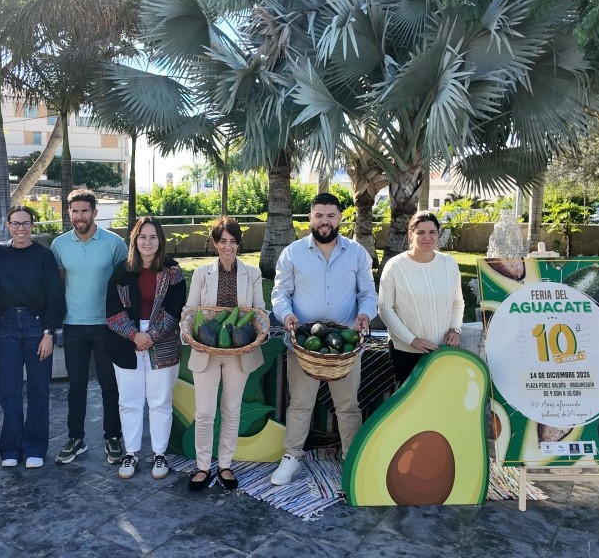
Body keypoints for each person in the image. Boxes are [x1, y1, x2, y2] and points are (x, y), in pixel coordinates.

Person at [270, 192, 377, 486]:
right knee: (301, 403)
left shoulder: (357, 253)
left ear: (340, 218)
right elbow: (280, 293)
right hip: (305, 344)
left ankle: (351, 456)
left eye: (331, 215)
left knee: (348, 405)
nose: (325, 221)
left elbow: (368, 294)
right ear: (310, 219)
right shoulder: (292, 253)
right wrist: (285, 315)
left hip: (344, 345)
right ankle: (292, 457)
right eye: (319, 215)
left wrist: (366, 314)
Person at [184, 218, 265, 491]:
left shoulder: (251, 274)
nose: (227, 247)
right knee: (205, 412)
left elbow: (259, 313)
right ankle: (203, 466)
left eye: (232, 241)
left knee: (231, 410)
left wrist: (258, 335)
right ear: (215, 244)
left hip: (239, 351)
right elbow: (190, 311)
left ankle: (225, 465)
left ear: (238, 244)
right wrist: (192, 335)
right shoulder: (201, 273)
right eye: (222, 241)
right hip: (206, 349)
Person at [50, 189, 128, 465]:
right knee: (76, 386)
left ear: (95, 213)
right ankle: (76, 439)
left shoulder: (114, 244)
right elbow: (59, 284)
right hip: (73, 326)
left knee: (110, 384)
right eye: (74, 211)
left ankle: (112, 437)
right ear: (69, 213)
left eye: (85, 211)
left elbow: (123, 284)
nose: (79, 216)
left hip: (107, 326)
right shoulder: (59, 245)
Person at [105, 217, 186, 480]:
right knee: (129, 401)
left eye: (153, 237)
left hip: (162, 341)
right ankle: (131, 452)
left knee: (160, 400)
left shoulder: (173, 271)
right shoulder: (122, 270)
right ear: (134, 239)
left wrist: (151, 336)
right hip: (126, 341)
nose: (147, 242)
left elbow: (176, 308)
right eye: (142, 237)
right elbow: (113, 309)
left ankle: (159, 454)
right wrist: (134, 335)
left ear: (160, 241)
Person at [0, 205, 65, 469]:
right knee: (8, 390)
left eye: (26, 224)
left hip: (37, 327)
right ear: (8, 225)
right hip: (7, 327)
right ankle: (10, 448)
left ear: (32, 227)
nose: (21, 228)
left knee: (38, 390)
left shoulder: (43, 256)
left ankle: (35, 446)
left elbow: (55, 298)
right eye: (16, 223)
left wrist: (48, 333)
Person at [378, 211, 464, 386]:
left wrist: (455, 329)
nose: (427, 237)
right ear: (411, 235)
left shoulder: (449, 263)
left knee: (441, 403)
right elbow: (385, 309)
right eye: (421, 233)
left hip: (442, 350)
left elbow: (457, 301)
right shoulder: (395, 266)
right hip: (406, 352)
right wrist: (413, 341)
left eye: (432, 232)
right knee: (410, 407)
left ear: (438, 234)